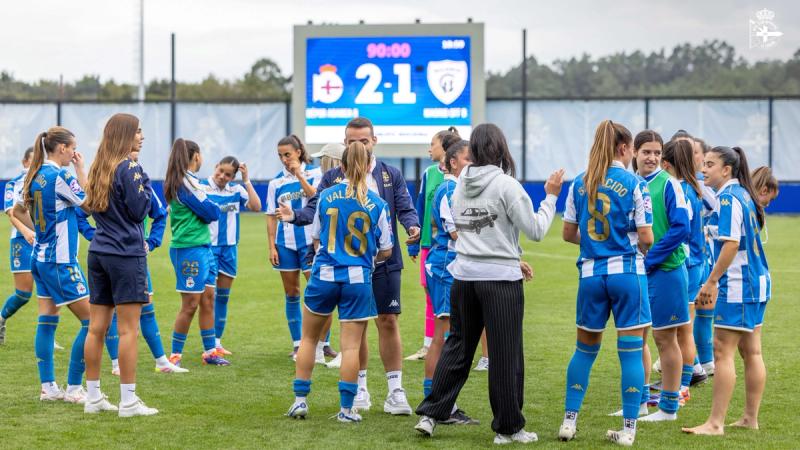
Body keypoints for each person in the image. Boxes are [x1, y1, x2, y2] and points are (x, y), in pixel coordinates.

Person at [414, 123, 563, 445]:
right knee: (505, 354)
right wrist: (550, 197)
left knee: (457, 347)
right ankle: (509, 428)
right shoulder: (506, 185)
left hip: (464, 276)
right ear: (501, 148)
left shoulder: (458, 184)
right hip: (499, 281)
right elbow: (536, 230)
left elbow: (470, 231)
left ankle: (431, 414)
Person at [278, 117, 420, 416]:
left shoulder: (389, 175)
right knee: (356, 335)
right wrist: (294, 216)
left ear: (374, 142)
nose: (357, 145)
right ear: (345, 145)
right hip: (363, 268)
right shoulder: (332, 180)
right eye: (351, 141)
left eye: (363, 141)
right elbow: (313, 210)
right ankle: (360, 390)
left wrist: (412, 226)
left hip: (356, 268)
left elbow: (405, 209)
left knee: (386, 322)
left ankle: (395, 390)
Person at [557, 120, 653, 446]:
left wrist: (596, 247)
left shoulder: (579, 183)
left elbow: (568, 233)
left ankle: (569, 422)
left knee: (584, 351)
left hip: (590, 276)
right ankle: (628, 430)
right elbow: (647, 237)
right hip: (628, 274)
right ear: (625, 148)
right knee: (630, 353)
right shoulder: (635, 182)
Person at [286, 141, 393, 423]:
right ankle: (346, 410)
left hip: (324, 275)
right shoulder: (379, 204)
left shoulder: (326, 195)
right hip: (358, 279)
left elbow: (318, 238)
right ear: (370, 166)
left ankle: (299, 401)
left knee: (308, 340)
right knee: (351, 348)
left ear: (341, 166)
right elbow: (387, 249)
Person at [683, 146, 770, 436]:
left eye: (709, 164)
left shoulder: (730, 199)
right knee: (751, 351)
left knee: (722, 351)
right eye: (703, 163)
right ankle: (749, 418)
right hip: (757, 282)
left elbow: (731, 244)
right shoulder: (744, 194)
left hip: (739, 286)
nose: (703, 168)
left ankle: (715, 423)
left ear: (727, 170)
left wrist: (711, 281)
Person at [80, 113, 158, 416]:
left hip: (98, 252)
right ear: (125, 136)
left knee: (96, 328)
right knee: (128, 331)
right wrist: (144, 180)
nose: (141, 137)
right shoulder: (130, 167)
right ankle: (128, 401)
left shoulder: (100, 166)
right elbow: (141, 212)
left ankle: (94, 397)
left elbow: (88, 207)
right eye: (137, 132)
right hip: (126, 254)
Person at [83, 149, 186, 375]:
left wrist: (152, 241)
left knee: (145, 308)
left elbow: (159, 214)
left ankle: (161, 360)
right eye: (135, 138)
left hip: (131, 253)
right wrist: (95, 234)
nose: (139, 144)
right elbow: (82, 213)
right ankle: (116, 363)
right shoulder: (107, 176)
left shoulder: (133, 179)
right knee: (110, 318)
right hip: (123, 255)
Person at [13, 127, 91, 403]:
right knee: (93, 323)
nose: (74, 153)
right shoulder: (60, 176)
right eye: (73, 148)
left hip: (40, 258)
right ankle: (73, 388)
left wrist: (36, 231)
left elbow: (17, 210)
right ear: (61, 148)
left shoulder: (33, 175)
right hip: (61, 262)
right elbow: (89, 204)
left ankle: (48, 388)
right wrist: (82, 169)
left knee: (46, 321)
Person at [633, 130, 690, 423]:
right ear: (634, 152)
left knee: (665, 339)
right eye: (646, 152)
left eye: (657, 153)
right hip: (639, 271)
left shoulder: (669, 184)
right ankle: (640, 404)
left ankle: (668, 408)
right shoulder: (634, 184)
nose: (652, 158)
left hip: (666, 271)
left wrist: (651, 259)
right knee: (638, 337)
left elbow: (681, 228)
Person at [421, 137, 478, 425]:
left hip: (450, 266)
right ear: (453, 162)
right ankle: (436, 402)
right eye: (468, 159)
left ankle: (440, 401)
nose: (473, 164)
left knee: (450, 335)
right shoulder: (449, 189)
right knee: (442, 336)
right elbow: (455, 233)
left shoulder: (458, 188)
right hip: (445, 266)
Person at [266, 135, 334, 363]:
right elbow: (271, 216)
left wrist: (299, 175)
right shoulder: (275, 183)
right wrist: (271, 246)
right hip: (285, 244)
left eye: (288, 154)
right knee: (292, 293)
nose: (284, 159)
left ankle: (324, 344)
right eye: (280, 156)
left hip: (310, 243)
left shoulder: (316, 174)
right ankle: (298, 343)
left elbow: (316, 198)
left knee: (319, 292)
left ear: (298, 152)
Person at [164, 139, 228, 367]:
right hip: (188, 248)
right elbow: (211, 212)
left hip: (203, 247)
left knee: (208, 299)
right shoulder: (184, 182)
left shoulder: (191, 181)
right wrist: (211, 207)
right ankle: (175, 356)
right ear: (196, 156)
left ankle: (210, 351)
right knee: (190, 303)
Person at [199, 156, 261, 354]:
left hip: (229, 250)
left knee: (223, 297)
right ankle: (208, 342)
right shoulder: (202, 187)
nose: (222, 176)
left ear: (233, 176)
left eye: (228, 175)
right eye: (220, 171)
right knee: (207, 298)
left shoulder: (236, 190)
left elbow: (256, 207)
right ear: (215, 166)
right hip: (208, 248)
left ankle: (217, 342)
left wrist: (247, 180)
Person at [406, 127, 457, 362]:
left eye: (433, 144)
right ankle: (430, 344)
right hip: (428, 243)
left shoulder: (458, 178)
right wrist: (415, 242)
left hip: (449, 246)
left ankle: (449, 342)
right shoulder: (428, 173)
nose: (429, 148)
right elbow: (421, 207)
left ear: (445, 149)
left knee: (452, 295)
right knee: (429, 291)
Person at [661, 139, 705, 404]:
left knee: (683, 329)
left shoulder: (681, 190)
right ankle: (681, 382)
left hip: (687, 265)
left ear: (668, 162)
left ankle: (684, 385)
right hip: (695, 264)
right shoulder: (693, 188)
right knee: (681, 328)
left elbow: (680, 231)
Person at [0, 147, 35, 345]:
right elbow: (11, 212)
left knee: (51, 291)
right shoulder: (14, 184)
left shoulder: (45, 181)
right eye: (31, 160)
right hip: (22, 241)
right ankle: (1, 318)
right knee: (23, 294)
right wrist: (26, 231)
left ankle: (48, 335)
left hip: (46, 241)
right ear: (24, 162)